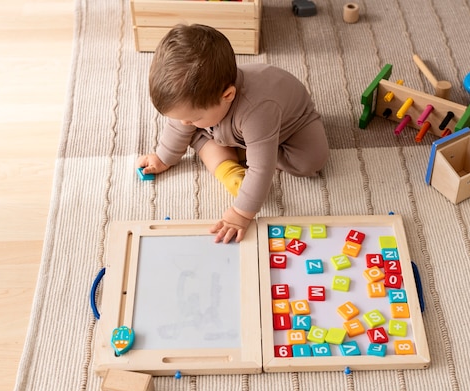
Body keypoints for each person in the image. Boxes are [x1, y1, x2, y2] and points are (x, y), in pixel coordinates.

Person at [136, 24, 329, 243]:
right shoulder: (201, 106)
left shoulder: (257, 110)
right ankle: (231, 163)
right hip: (237, 128)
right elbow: (180, 124)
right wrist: (163, 158)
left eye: (193, 118)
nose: (184, 123)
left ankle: (248, 149)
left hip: (291, 128)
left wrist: (240, 213)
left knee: (312, 160)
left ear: (227, 95)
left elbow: (261, 169)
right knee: (193, 131)